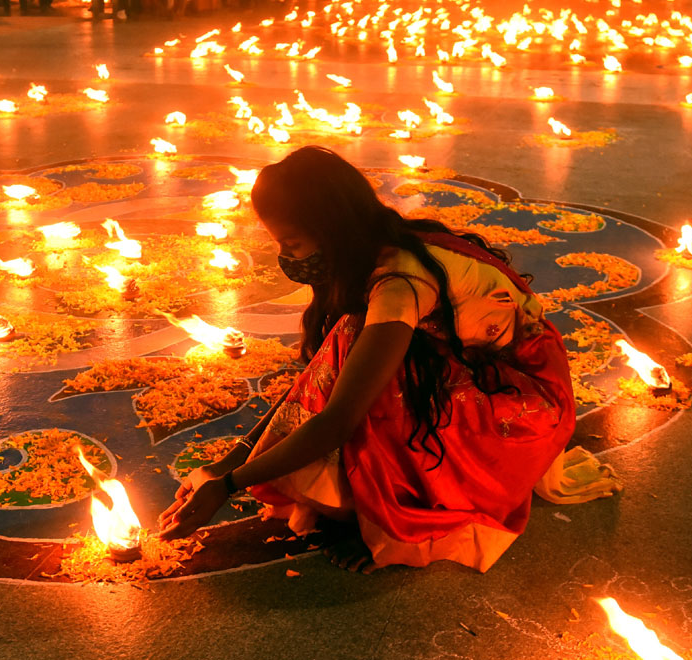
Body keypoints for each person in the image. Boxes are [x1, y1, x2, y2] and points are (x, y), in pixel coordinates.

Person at [157, 146, 614, 573]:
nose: (286, 259)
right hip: (476, 365)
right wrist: (226, 464)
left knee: (390, 387)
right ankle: (369, 495)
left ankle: (401, 525)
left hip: (526, 398)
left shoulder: (400, 282)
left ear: (332, 230)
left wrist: (231, 483)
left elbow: (339, 418)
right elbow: (317, 379)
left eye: (293, 246)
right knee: (351, 344)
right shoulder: (376, 247)